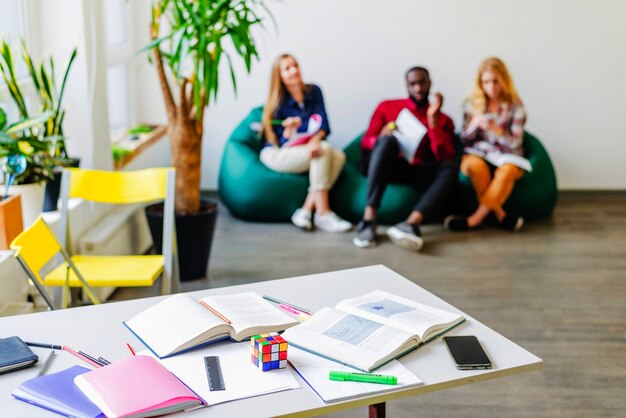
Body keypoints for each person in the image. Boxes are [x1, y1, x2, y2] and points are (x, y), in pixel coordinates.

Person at [353, 66, 457, 251]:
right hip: (385, 164)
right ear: (407, 85)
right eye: (413, 84)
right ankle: (369, 219)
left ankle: (411, 224)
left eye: (422, 83)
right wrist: (382, 136)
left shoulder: (443, 119)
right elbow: (366, 142)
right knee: (387, 142)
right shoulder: (387, 106)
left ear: (430, 83)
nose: (418, 88)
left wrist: (432, 122)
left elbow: (444, 156)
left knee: (449, 167)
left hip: (414, 169)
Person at [260, 53, 351, 232]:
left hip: (307, 147)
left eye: (295, 65)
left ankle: (306, 210)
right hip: (277, 153)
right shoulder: (277, 104)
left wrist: (315, 140)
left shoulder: (314, 92)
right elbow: (278, 141)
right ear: (279, 76)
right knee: (324, 150)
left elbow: (324, 124)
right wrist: (289, 131)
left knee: (339, 156)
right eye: (287, 69)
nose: (294, 71)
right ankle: (323, 213)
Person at [445, 57, 526, 232]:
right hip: (478, 153)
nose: (491, 87)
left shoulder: (516, 106)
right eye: (486, 82)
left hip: (507, 155)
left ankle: (474, 220)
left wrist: (498, 131)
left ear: (504, 80)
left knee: (508, 170)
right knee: (474, 165)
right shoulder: (471, 104)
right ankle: (500, 215)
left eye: (495, 81)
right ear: (480, 83)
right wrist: (475, 124)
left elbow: (516, 143)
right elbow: (463, 141)